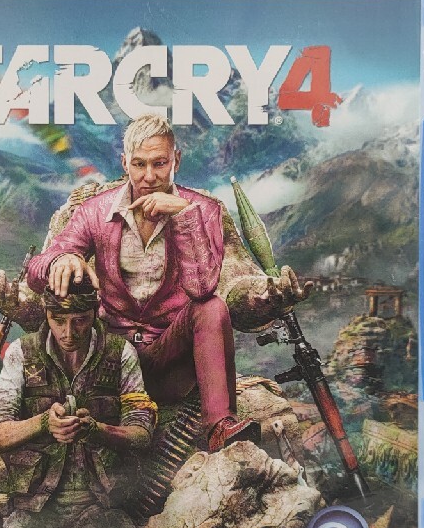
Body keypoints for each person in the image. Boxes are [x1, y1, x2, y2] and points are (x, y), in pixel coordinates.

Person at [18, 113, 312, 453]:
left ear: (176, 160)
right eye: (139, 164)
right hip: (108, 361)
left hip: (174, 361)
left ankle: (220, 425)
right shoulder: (94, 211)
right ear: (124, 163)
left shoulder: (205, 210)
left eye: (160, 164)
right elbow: (36, 271)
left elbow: (202, 288)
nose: (149, 176)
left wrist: (185, 216)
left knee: (211, 307)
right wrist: (61, 259)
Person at [0, 276, 159, 528]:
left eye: (80, 321)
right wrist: (43, 423)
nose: (68, 332)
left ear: (94, 313)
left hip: (98, 510)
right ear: (46, 313)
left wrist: (97, 430)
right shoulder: (21, 353)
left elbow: (142, 433)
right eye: (58, 320)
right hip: (36, 510)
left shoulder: (120, 353)